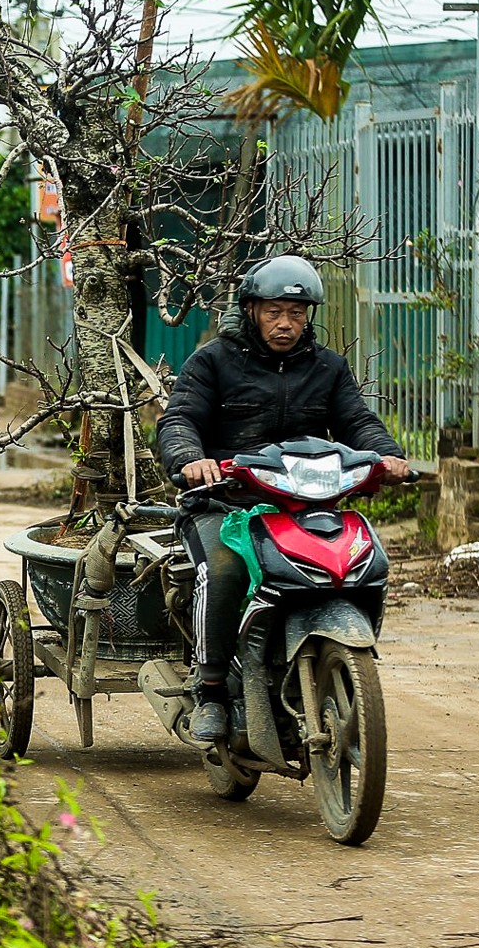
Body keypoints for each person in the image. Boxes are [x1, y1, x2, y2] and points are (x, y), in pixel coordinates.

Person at [157, 255, 414, 744]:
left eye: (297, 313)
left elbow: (358, 423)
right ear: (251, 309)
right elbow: (179, 420)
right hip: (224, 504)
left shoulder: (328, 368)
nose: (286, 323)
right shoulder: (212, 361)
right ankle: (210, 688)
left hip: (302, 506)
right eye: (275, 311)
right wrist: (192, 458)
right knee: (226, 570)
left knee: (358, 563)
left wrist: (387, 456)